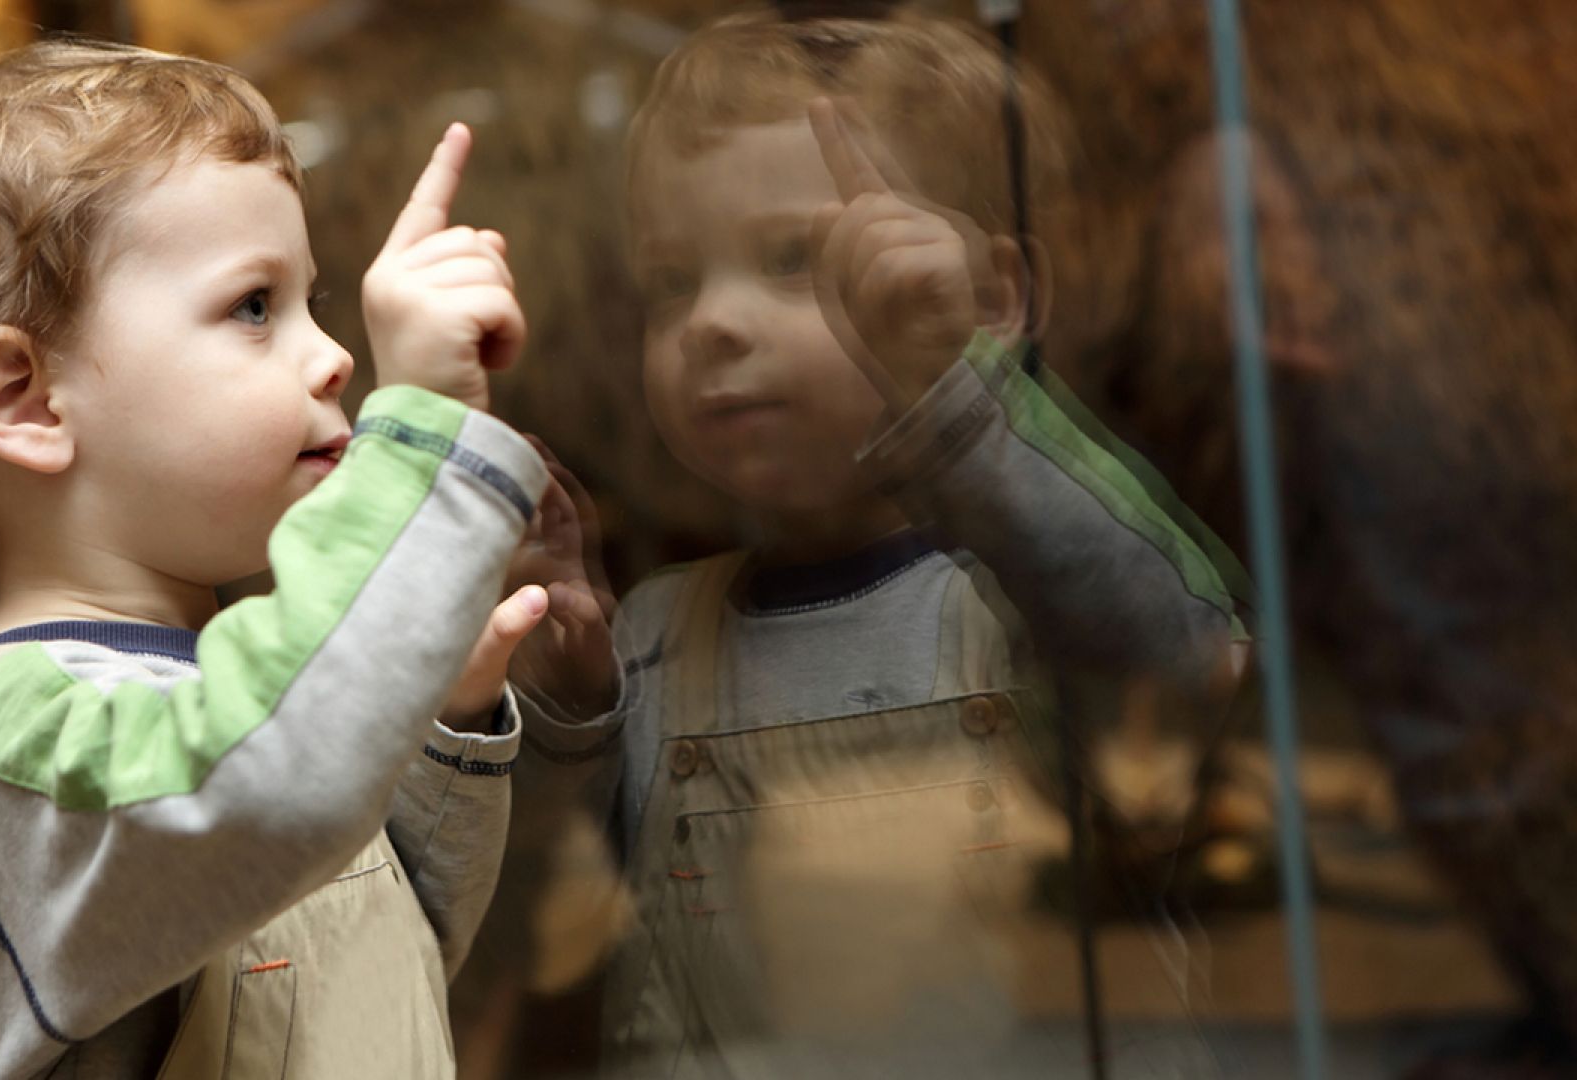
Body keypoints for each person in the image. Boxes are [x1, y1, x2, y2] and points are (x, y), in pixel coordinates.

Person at [0, 40, 549, 1078]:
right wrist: (423, 432)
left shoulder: (237, 701)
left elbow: (392, 952)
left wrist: (438, 724)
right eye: (254, 306)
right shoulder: (11, 738)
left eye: (308, 298)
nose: (336, 355)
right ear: (26, 400)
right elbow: (275, 794)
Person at [488, 9, 1254, 1076]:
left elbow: (1184, 645)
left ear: (990, 296)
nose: (713, 321)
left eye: (797, 258)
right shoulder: (655, 632)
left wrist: (951, 386)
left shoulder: (1025, 599)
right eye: (673, 282)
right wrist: (567, 704)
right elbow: (555, 907)